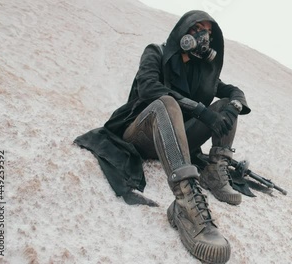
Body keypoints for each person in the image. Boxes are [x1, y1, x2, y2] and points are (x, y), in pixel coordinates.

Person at [74, 10, 250, 263]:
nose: (204, 36)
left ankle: (214, 171)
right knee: (165, 102)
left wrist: (236, 103)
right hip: (141, 134)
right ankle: (185, 202)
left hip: (175, 142)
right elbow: (148, 88)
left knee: (225, 106)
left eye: (209, 33)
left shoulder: (202, 69)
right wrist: (199, 109)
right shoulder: (155, 52)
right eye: (198, 28)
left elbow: (231, 89)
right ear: (184, 30)